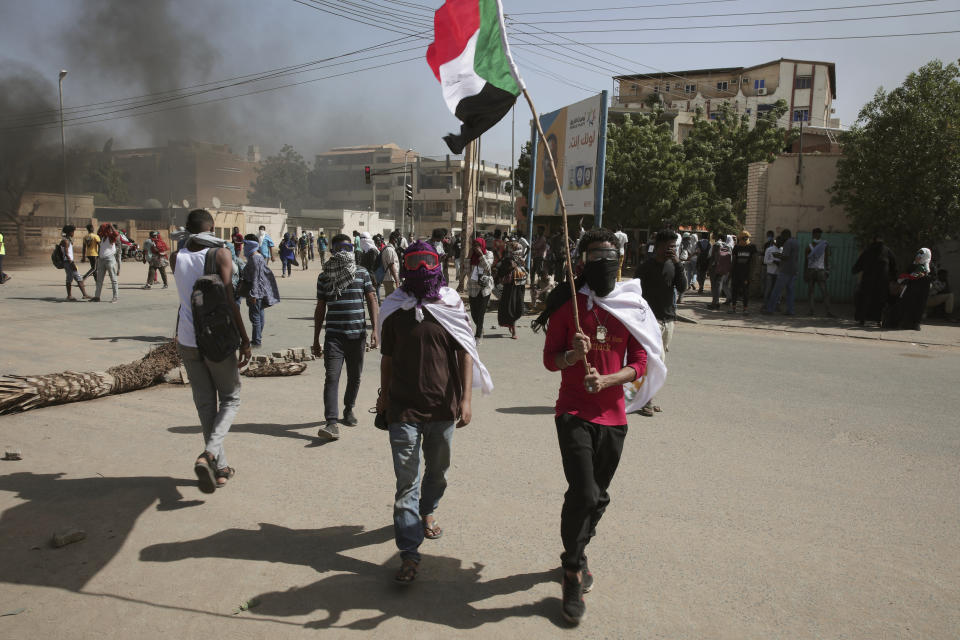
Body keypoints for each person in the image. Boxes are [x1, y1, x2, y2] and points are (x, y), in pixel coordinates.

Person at [536, 227, 665, 625]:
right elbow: (549, 360)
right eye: (595, 257)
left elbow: (642, 362)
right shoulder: (567, 306)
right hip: (573, 413)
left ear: (620, 260)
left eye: (610, 256)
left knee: (598, 496)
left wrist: (609, 380)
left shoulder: (633, 307)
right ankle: (572, 570)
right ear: (582, 262)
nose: (604, 263)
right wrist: (573, 357)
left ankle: (579, 545)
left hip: (614, 417)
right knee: (584, 492)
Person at [377, 240, 493, 585]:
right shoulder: (395, 309)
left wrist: (467, 400)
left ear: (438, 265)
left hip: (443, 408)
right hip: (403, 410)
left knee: (438, 470)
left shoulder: (450, 305)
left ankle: (427, 510)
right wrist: (384, 396)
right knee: (405, 483)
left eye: (427, 260)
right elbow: (387, 358)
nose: (421, 267)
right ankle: (410, 553)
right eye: (414, 261)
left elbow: (465, 353)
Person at [171, 209, 251, 493]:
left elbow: (185, 298)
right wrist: (245, 338)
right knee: (231, 398)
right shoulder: (220, 254)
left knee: (206, 406)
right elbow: (230, 301)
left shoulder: (175, 256)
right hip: (215, 340)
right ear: (212, 227)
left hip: (188, 340)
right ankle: (209, 454)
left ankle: (219, 469)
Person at [312, 234, 379, 441]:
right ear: (332, 251)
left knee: (355, 376)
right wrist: (315, 338)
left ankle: (348, 409)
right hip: (334, 336)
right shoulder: (325, 276)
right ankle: (331, 422)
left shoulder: (362, 273)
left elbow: (372, 300)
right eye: (339, 248)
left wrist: (376, 330)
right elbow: (320, 308)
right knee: (332, 377)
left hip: (357, 335)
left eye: (347, 247)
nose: (343, 252)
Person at [635, 229, 686, 417]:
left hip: (668, 319)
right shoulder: (645, 268)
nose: (671, 250)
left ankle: (646, 397)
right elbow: (635, 294)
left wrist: (678, 263)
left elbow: (682, 287)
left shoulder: (673, 266)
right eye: (668, 246)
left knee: (660, 361)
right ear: (657, 247)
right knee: (652, 362)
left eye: (674, 246)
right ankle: (646, 401)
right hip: (650, 320)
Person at [241, 234, 280, 347]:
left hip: (255, 292)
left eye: (245, 245)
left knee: (255, 317)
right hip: (258, 291)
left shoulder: (255, 258)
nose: (244, 248)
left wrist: (254, 294)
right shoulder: (258, 257)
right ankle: (257, 338)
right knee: (259, 314)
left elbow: (256, 278)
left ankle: (256, 340)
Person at [852, 234, 897, 327]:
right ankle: (877, 320)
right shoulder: (887, 251)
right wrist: (893, 278)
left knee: (865, 300)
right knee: (879, 301)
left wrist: (855, 270)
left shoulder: (868, 251)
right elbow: (893, 265)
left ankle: (862, 319)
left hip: (868, 281)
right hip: (881, 282)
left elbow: (859, 264)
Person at [885, 248, 933, 331]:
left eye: (921, 254)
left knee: (919, 307)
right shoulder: (913, 265)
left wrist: (924, 275)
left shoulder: (930, 266)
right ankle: (902, 323)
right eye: (918, 253)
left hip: (922, 292)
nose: (919, 256)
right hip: (910, 290)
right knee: (906, 305)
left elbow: (932, 278)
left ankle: (915, 324)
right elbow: (907, 275)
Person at [764, 229, 799, 315]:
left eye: (783, 236)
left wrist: (778, 255)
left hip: (785, 270)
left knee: (776, 291)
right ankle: (790, 311)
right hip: (793, 270)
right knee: (790, 292)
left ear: (786, 235)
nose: (782, 238)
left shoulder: (788, 243)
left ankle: (770, 309)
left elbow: (786, 257)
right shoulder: (796, 242)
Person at [496, 241, 526, 339]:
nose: (518, 252)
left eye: (519, 250)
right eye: (516, 250)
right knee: (511, 308)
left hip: (520, 286)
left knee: (520, 309)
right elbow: (500, 272)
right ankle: (513, 329)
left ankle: (511, 324)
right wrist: (510, 268)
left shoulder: (521, 260)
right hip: (510, 287)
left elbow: (526, 271)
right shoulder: (507, 260)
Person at [467, 237, 494, 341]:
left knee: (481, 312)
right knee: (474, 312)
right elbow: (466, 270)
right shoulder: (471, 255)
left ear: (482, 245)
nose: (476, 247)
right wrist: (468, 258)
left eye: (478, 245)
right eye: (474, 245)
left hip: (485, 288)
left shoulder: (489, 254)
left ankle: (478, 335)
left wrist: (481, 255)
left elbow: (488, 267)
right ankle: (480, 327)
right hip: (473, 287)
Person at [59, 225, 91, 301]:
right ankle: (84, 294)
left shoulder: (65, 240)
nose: (73, 233)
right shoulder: (66, 241)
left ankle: (69, 296)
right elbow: (66, 253)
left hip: (67, 262)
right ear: (69, 232)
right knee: (78, 278)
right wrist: (71, 263)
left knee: (69, 279)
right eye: (73, 231)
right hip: (69, 262)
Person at [729, 231, 757, 314]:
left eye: (746, 238)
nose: (745, 239)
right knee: (735, 291)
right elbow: (733, 261)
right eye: (743, 238)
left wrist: (751, 275)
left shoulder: (752, 247)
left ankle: (745, 309)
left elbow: (754, 262)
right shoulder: (736, 247)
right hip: (736, 274)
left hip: (746, 274)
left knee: (745, 292)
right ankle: (733, 308)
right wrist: (731, 273)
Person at [92, 223, 120, 302]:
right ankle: (97, 297)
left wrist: (110, 226)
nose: (101, 229)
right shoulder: (102, 237)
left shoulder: (111, 237)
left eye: (102, 228)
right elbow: (98, 233)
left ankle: (115, 297)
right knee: (99, 280)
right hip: (101, 260)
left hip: (109, 260)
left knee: (113, 279)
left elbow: (116, 234)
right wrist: (101, 227)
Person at [707, 234, 732, 310]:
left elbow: (710, 255)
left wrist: (709, 267)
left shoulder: (716, 245)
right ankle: (716, 303)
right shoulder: (728, 246)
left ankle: (715, 303)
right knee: (719, 284)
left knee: (714, 286)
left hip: (714, 268)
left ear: (718, 238)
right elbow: (730, 258)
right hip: (723, 268)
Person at [381, 230, 402, 297]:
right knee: (393, 300)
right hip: (390, 279)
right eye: (398, 239)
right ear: (394, 239)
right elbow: (391, 266)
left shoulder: (389, 249)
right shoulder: (389, 250)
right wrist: (397, 281)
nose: (398, 241)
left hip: (390, 279)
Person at [762, 235, 781, 308]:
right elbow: (765, 261)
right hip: (770, 272)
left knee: (777, 290)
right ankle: (765, 304)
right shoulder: (769, 249)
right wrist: (773, 261)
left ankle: (776, 305)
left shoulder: (782, 250)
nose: (780, 243)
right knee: (768, 289)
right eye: (779, 241)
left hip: (778, 273)